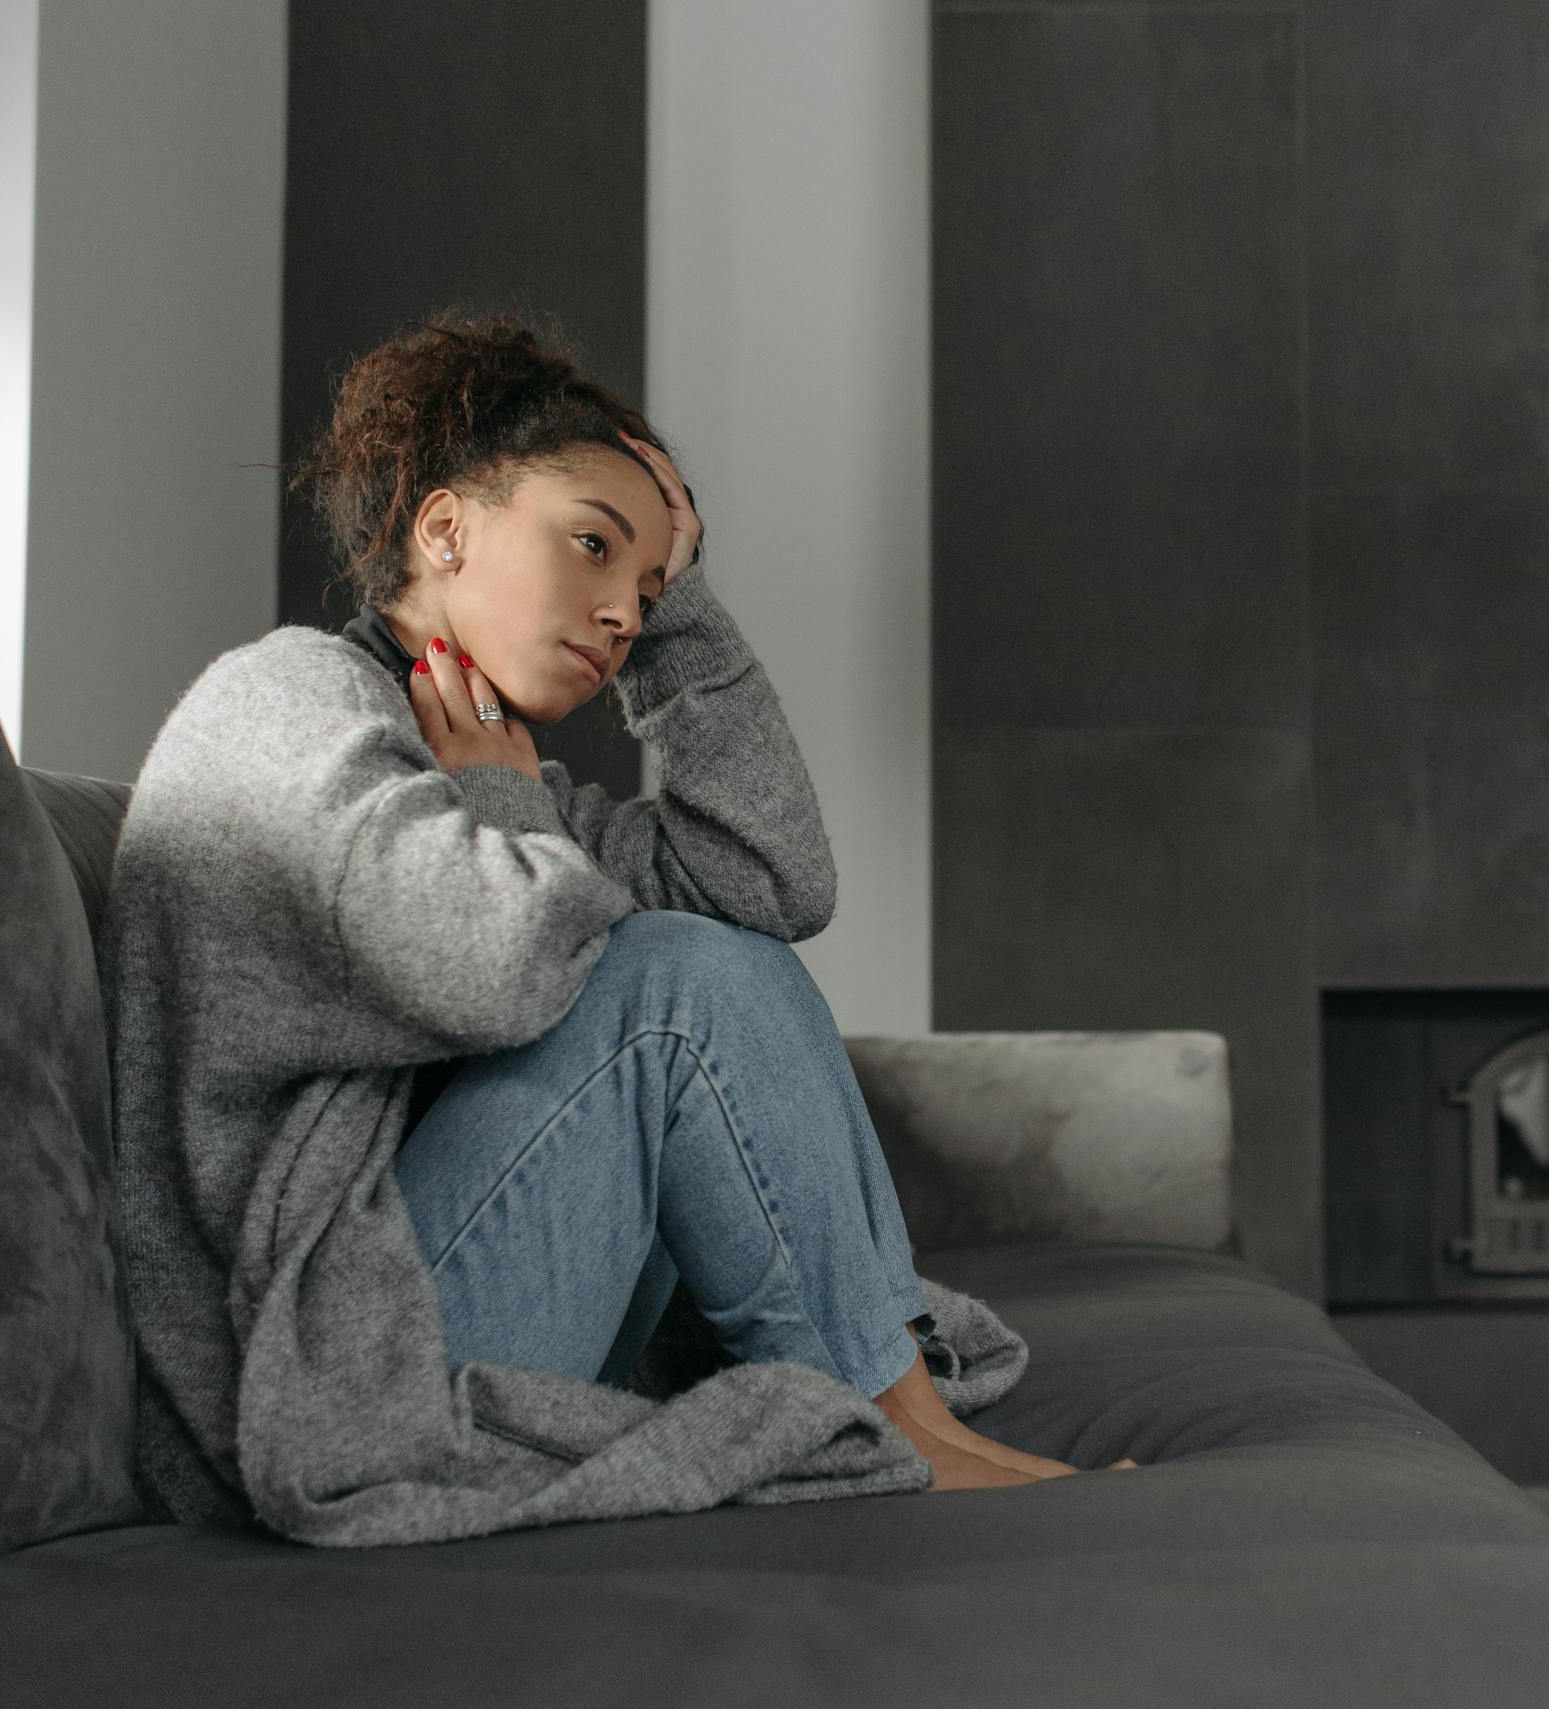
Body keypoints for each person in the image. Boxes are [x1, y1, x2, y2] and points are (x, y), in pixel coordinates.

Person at [106, 311, 1128, 1533]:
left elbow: (766, 881)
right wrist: (505, 803)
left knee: (713, 946)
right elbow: (495, 972)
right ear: (444, 528)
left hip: (415, 1309)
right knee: (669, 980)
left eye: (649, 587)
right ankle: (896, 1428)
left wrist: (682, 629)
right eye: (590, 545)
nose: (623, 616)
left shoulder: (480, 769)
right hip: (320, 1384)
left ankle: (916, 1424)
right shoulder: (283, 699)